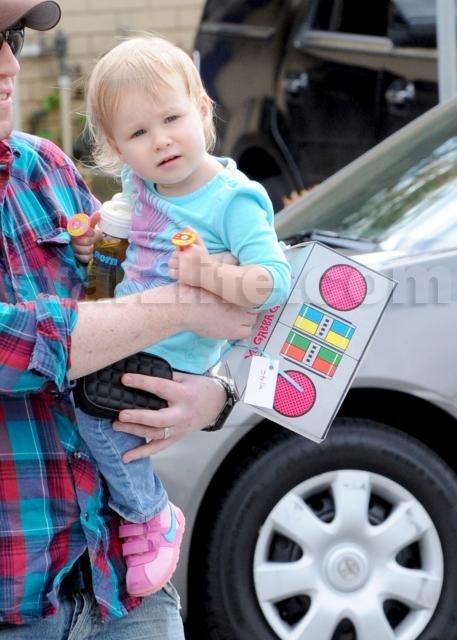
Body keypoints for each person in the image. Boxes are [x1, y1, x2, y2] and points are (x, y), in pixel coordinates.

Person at [0, 2, 256, 638]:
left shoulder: (45, 169)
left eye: (12, 36)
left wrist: (213, 394)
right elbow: (17, 346)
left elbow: (129, 299)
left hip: (122, 588)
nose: (9, 63)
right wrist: (184, 303)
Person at [71, 34, 291, 599]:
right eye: (138, 133)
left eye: (171, 118)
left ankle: (151, 515)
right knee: (87, 411)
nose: (161, 140)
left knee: (95, 416)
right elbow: (128, 246)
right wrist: (97, 248)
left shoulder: (232, 199)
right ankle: (131, 514)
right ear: (118, 149)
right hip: (127, 335)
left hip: (173, 358)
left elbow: (273, 282)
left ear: (202, 109)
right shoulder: (141, 185)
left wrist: (208, 275)